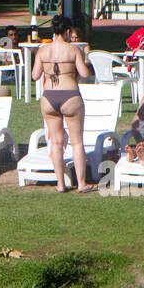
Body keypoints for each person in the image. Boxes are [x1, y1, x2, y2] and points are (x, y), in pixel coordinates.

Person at [31, 15, 96, 192]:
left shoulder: (43, 50)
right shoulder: (74, 50)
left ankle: (60, 184)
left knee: (56, 142)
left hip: (49, 97)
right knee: (76, 142)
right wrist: (86, 63)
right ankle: (81, 184)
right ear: (67, 31)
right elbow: (84, 73)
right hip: (70, 96)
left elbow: (35, 76)